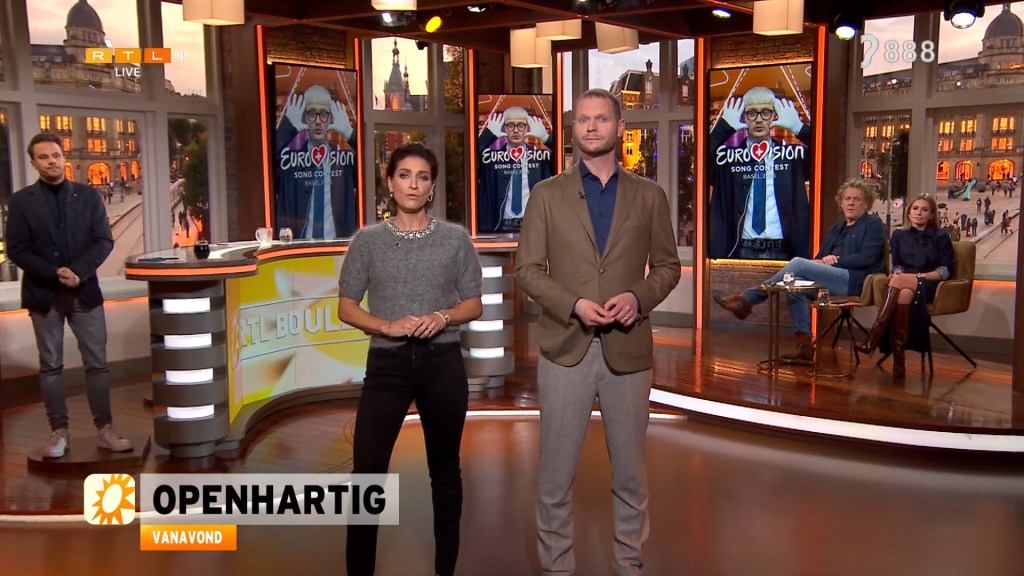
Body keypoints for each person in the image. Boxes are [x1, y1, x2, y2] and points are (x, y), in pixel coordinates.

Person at [515, 88, 681, 575]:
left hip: (628, 353)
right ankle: (556, 570)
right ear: (574, 129)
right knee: (555, 479)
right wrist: (574, 305)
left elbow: (668, 267)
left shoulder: (649, 196)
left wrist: (637, 298)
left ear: (619, 127)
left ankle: (629, 566)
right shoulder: (546, 195)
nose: (591, 127)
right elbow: (527, 270)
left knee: (631, 478)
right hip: (565, 349)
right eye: (583, 119)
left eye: (602, 119)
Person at [338, 142, 482, 576]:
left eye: (422, 177)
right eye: (404, 175)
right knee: (368, 472)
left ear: (432, 187)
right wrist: (387, 326)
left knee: (445, 469)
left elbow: (473, 304)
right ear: (390, 183)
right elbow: (346, 307)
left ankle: (445, 570)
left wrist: (442, 316)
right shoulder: (368, 242)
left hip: (442, 363)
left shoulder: (455, 239)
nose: (413, 185)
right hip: (388, 366)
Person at [5, 132, 132, 458]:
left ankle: (105, 429)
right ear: (33, 163)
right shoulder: (20, 202)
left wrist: (78, 271)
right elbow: (17, 249)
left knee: (97, 365)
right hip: (43, 294)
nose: (52, 161)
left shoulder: (88, 196)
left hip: (84, 292)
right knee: (50, 366)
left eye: (56, 155)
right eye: (44, 157)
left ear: (64, 158)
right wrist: (55, 273)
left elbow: (103, 241)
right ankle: (58, 433)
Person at [714, 179, 886, 361]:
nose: (851, 203)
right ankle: (804, 346)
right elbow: (821, 257)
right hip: (830, 280)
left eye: (856, 199)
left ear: (866, 203)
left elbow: (868, 257)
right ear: (841, 202)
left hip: (853, 280)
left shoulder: (872, 224)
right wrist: (820, 261)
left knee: (797, 263)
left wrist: (835, 261)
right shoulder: (836, 229)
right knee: (794, 285)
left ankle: (747, 299)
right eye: (847, 198)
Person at [857, 194, 955, 378]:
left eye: (924, 210)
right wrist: (899, 273)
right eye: (915, 209)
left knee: (897, 281)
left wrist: (915, 276)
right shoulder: (899, 235)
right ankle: (899, 360)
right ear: (909, 213)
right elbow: (897, 265)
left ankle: (874, 336)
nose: (919, 213)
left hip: (929, 284)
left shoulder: (941, 236)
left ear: (931, 214)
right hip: (904, 285)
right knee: (903, 293)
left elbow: (944, 271)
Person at [709, 87, 812, 259]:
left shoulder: (790, 158)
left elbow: (825, 157)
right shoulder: (729, 161)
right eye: (751, 113)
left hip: (785, 251)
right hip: (741, 251)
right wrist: (724, 127)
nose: (758, 120)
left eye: (765, 112)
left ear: (774, 116)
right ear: (743, 117)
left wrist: (799, 128)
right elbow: (701, 160)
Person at [276, 84, 357, 239]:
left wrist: (349, 132)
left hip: (339, 248)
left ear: (331, 118)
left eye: (324, 114)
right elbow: (264, 169)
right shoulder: (290, 164)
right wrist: (288, 127)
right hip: (300, 248)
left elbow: (372, 175)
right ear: (304, 118)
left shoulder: (344, 162)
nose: (318, 121)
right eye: (312, 114)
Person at [476, 105, 556, 232]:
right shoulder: (492, 159)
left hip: (534, 224)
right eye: (510, 125)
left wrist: (546, 138)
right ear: (504, 128)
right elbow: (469, 163)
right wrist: (488, 135)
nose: (516, 130)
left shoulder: (540, 158)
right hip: (500, 226)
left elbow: (563, 164)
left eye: (521, 125)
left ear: (527, 128)